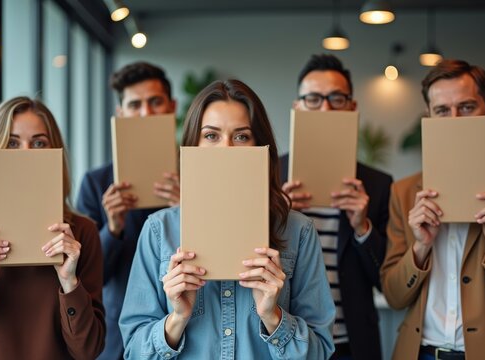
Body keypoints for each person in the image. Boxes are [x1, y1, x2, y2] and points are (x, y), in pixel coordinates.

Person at [119, 79, 335, 359]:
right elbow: (133, 350)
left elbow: (321, 352)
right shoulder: (159, 230)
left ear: (262, 146)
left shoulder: (298, 231)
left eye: (242, 136)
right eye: (211, 135)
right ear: (192, 145)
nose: (226, 148)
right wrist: (177, 318)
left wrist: (273, 316)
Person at [0, 96, 105, 359]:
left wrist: (70, 283)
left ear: (54, 152)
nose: (26, 153)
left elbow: (88, 350)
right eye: (13, 143)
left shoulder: (81, 232)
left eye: (38, 143)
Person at [381, 59, 485, 360]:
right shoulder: (404, 192)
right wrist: (420, 247)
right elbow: (393, 296)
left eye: (467, 107)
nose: (454, 120)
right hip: (419, 353)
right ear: (429, 117)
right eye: (442, 111)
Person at [280, 54, 392, 360]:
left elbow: (388, 282)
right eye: (313, 99)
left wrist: (362, 228)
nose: (325, 108)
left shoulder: (378, 184)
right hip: (283, 340)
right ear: (297, 107)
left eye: (336, 99)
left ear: (352, 107)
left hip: (351, 345)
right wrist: (277, 216)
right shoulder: (269, 175)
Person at [76, 61, 178, 359]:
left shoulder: (197, 173)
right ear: (121, 114)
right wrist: (112, 228)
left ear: (171, 106)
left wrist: (187, 212)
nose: (145, 113)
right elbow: (90, 277)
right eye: (135, 105)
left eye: (155, 102)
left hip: (188, 328)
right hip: (118, 337)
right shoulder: (97, 183)